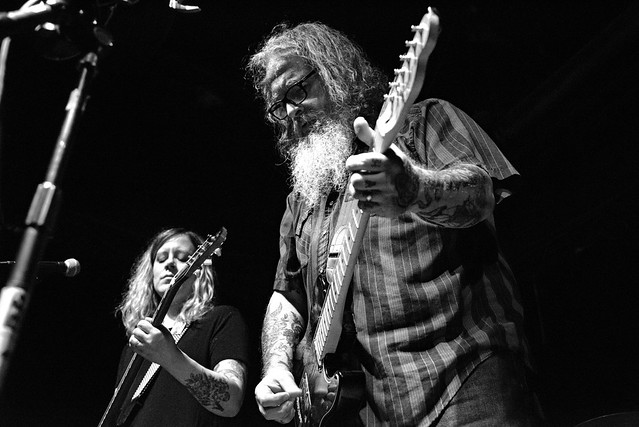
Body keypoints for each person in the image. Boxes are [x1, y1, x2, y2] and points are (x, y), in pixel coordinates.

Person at [247, 20, 540, 426]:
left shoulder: (422, 122)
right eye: (279, 106)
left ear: (336, 73)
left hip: (463, 377)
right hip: (364, 408)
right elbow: (287, 297)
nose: (291, 112)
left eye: (297, 90)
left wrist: (413, 189)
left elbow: (480, 197)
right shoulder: (302, 200)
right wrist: (277, 367)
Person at [111, 228, 249, 426]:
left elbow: (230, 401)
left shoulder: (221, 319)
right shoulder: (136, 345)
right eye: (161, 259)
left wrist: (169, 356)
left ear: (199, 269)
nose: (169, 263)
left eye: (183, 257)